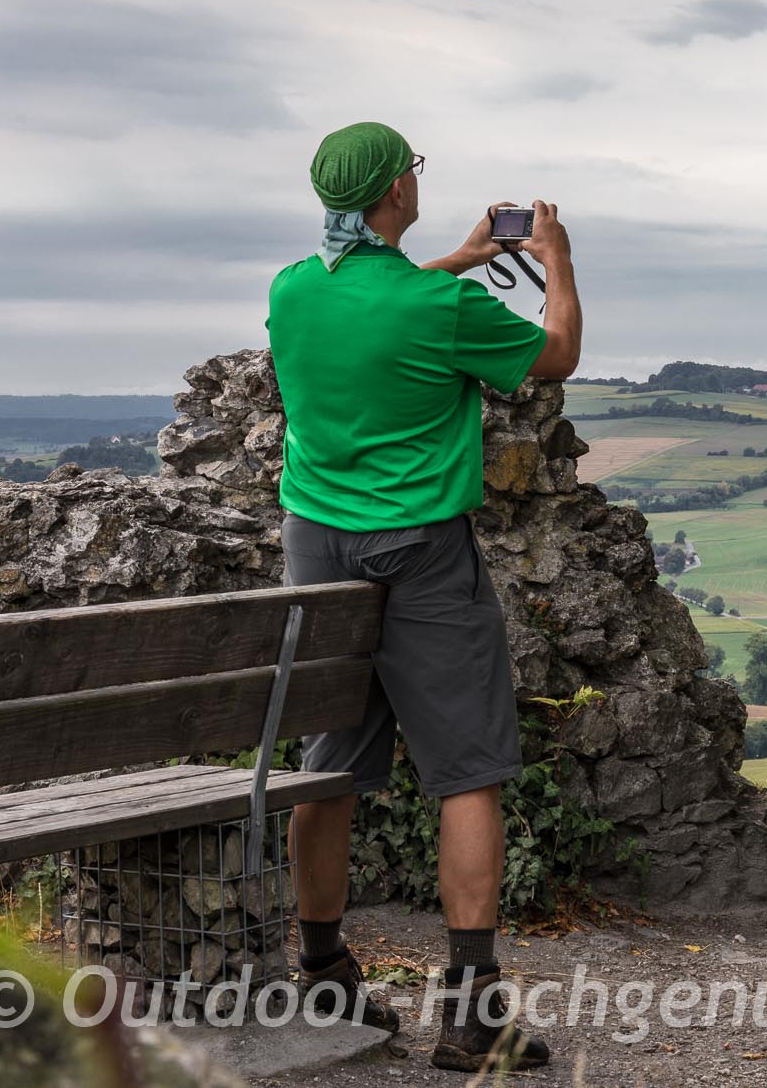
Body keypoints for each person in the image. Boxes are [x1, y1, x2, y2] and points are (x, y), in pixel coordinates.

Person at [267, 121, 580, 1071]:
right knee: (464, 770)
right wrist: (552, 259)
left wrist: (458, 257)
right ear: (396, 192)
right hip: (422, 554)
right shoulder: (436, 311)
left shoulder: (291, 291)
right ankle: (472, 1008)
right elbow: (554, 353)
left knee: (329, 762)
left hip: (317, 545)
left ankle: (321, 968)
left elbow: (379, 298)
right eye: (412, 171)